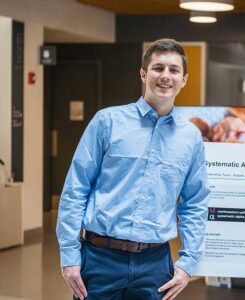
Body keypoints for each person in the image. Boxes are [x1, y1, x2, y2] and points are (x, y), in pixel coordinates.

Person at [56, 38, 210, 300]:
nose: (165, 76)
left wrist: (187, 263)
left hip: (155, 264)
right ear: (143, 73)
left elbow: (195, 202)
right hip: (99, 259)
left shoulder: (190, 138)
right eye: (158, 68)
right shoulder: (108, 122)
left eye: (173, 70)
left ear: (184, 80)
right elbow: (76, 189)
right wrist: (69, 255)